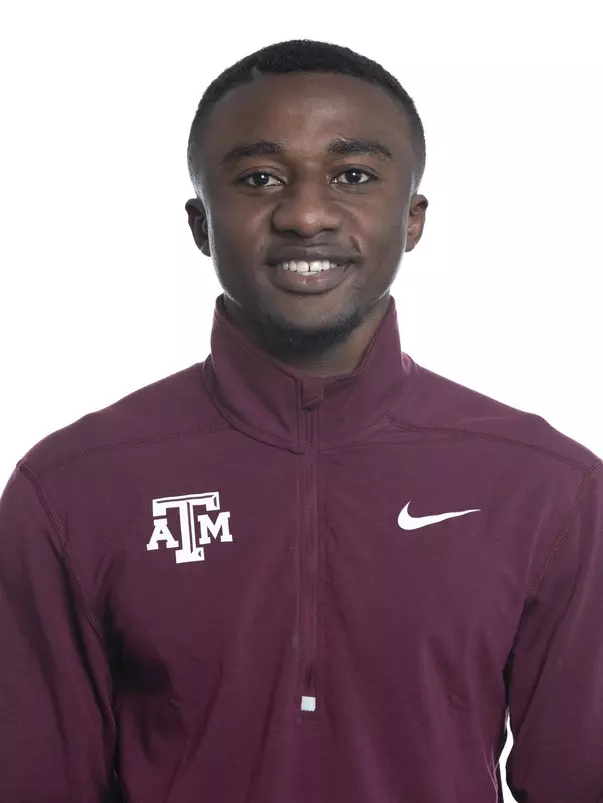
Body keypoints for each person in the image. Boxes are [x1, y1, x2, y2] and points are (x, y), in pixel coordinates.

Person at [0, 38, 601, 803]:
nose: (306, 212)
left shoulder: (545, 484)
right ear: (199, 223)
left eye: (353, 176)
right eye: (258, 178)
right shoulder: (71, 487)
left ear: (411, 218)